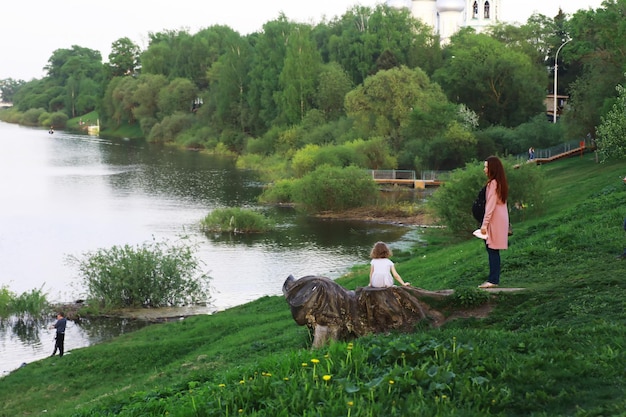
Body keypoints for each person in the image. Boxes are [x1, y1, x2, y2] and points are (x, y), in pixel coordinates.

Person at [478, 156, 509, 288]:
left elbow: (490, 206)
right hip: (501, 218)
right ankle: (493, 279)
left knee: (492, 249)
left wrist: (484, 225)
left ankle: (493, 280)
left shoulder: (493, 184)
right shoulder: (501, 182)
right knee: (493, 249)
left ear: (492, 168)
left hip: (495, 219)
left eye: (486, 166)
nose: (484, 169)